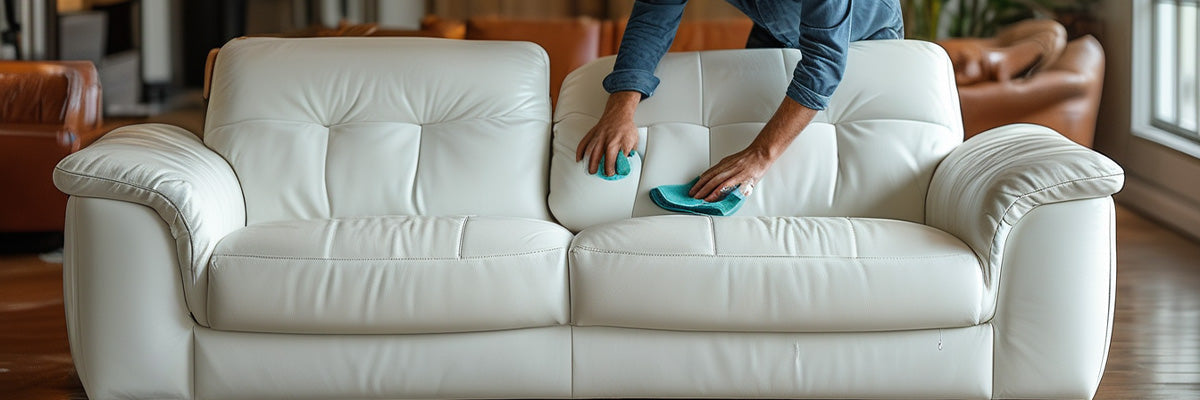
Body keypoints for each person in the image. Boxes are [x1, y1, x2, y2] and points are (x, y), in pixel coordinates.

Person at [576, 0, 904, 202]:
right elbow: (653, 17)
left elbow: (824, 62)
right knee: (751, 186)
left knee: (792, 164)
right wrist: (620, 107)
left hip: (867, 34)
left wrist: (759, 155)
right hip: (775, 26)